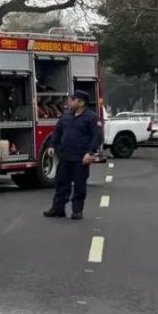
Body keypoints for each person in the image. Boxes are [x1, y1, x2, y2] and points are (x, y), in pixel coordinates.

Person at [43, 90, 103, 221]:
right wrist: (52, 146)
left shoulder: (92, 118)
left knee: (79, 185)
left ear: (81, 102)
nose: (69, 102)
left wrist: (90, 153)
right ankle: (58, 209)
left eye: (72, 100)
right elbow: (57, 132)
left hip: (81, 158)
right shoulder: (66, 117)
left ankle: (77, 211)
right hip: (65, 156)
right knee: (61, 183)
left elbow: (97, 137)